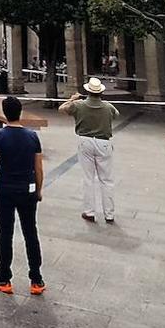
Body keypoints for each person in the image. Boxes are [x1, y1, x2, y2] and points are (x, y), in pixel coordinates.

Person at [0, 95, 45, 295]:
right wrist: (38, 189)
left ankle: (4, 277)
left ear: (4, 113)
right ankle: (36, 279)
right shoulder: (32, 136)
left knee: (5, 232)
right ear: (20, 112)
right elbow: (38, 166)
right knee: (31, 232)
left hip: (5, 189)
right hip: (28, 189)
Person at [58, 77, 118, 224]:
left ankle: (89, 211)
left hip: (85, 141)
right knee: (106, 180)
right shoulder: (108, 107)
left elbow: (62, 109)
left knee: (88, 178)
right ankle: (109, 213)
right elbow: (115, 115)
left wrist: (72, 99)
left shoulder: (78, 105)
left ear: (88, 91)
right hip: (103, 142)